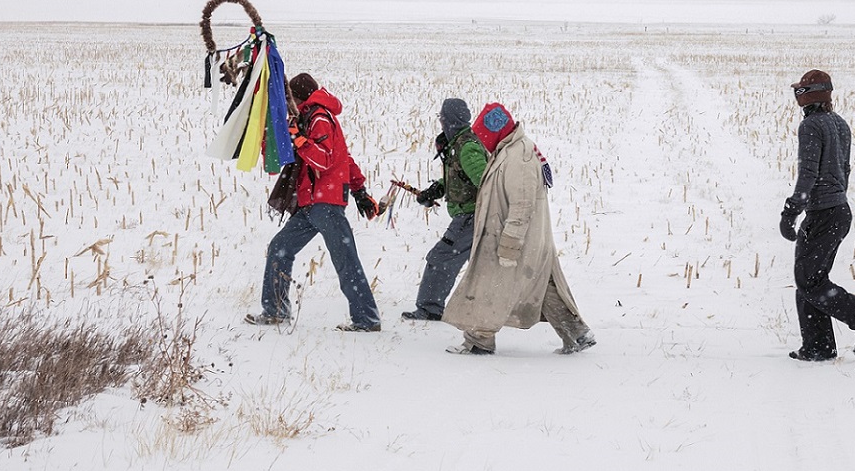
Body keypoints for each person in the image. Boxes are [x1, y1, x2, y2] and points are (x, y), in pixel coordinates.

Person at [442, 103, 594, 356]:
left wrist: (510, 244)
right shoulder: (510, 150)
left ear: (496, 132)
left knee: (490, 285)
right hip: (522, 237)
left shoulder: (519, 157)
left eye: (485, 138)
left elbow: (522, 205)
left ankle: (479, 340)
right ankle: (577, 334)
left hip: (514, 237)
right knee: (542, 286)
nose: (483, 143)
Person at [246, 73, 381, 331]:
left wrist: (298, 139)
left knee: (345, 259)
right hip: (310, 204)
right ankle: (275, 311)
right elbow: (345, 158)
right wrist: (360, 190)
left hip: (326, 203)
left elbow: (324, 159)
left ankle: (367, 319)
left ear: (300, 98)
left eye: (292, 99)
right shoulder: (308, 118)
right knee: (279, 248)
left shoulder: (319, 118)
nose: (290, 105)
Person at [779, 69, 855, 361]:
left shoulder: (811, 126)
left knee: (810, 281)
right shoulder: (839, 124)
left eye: (799, 92)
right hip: (837, 210)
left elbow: (808, 174)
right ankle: (818, 347)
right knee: (809, 279)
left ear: (806, 96)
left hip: (824, 213)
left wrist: (791, 212)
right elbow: (845, 170)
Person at [402, 98, 489, 321]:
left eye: (442, 117)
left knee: (440, 258)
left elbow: (486, 182)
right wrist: (434, 191)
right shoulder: (459, 143)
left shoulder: (467, 147)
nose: (440, 121)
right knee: (487, 268)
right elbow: (460, 177)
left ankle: (429, 308)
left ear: (451, 119)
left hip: (470, 217)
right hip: (472, 215)